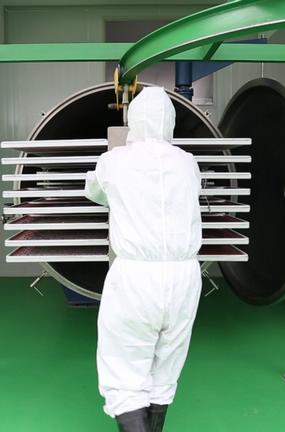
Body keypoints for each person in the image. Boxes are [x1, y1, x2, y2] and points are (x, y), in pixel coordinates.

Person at [84, 87, 203, 432]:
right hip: (184, 278)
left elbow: (93, 191)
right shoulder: (187, 162)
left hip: (135, 279)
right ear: (170, 123)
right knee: (165, 368)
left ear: (133, 120)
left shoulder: (114, 161)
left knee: (124, 369)